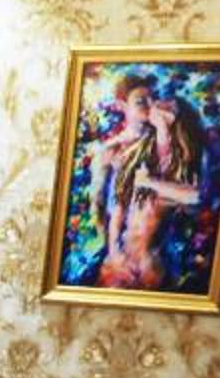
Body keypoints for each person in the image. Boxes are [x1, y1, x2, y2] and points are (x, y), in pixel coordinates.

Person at [80, 70, 207, 291]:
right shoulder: (113, 151)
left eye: (152, 99)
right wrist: (113, 251)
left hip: (154, 249)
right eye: (141, 101)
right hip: (121, 247)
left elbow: (189, 191)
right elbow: (108, 204)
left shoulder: (160, 143)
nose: (150, 106)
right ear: (122, 106)